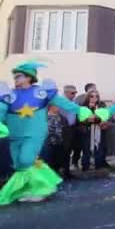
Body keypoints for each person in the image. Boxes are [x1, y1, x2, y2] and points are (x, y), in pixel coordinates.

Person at [0, 61, 93, 205]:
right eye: (15, 76)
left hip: (34, 134)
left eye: (19, 76)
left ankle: (43, 189)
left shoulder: (41, 93)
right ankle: (30, 189)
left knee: (26, 159)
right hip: (15, 135)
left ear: (29, 77)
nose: (15, 79)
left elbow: (64, 103)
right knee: (19, 164)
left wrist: (81, 111)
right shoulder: (9, 95)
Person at [42, 105, 67, 173]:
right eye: (56, 106)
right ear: (51, 107)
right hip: (50, 143)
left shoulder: (61, 117)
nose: (58, 107)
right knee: (50, 162)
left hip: (60, 143)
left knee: (58, 161)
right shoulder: (45, 118)